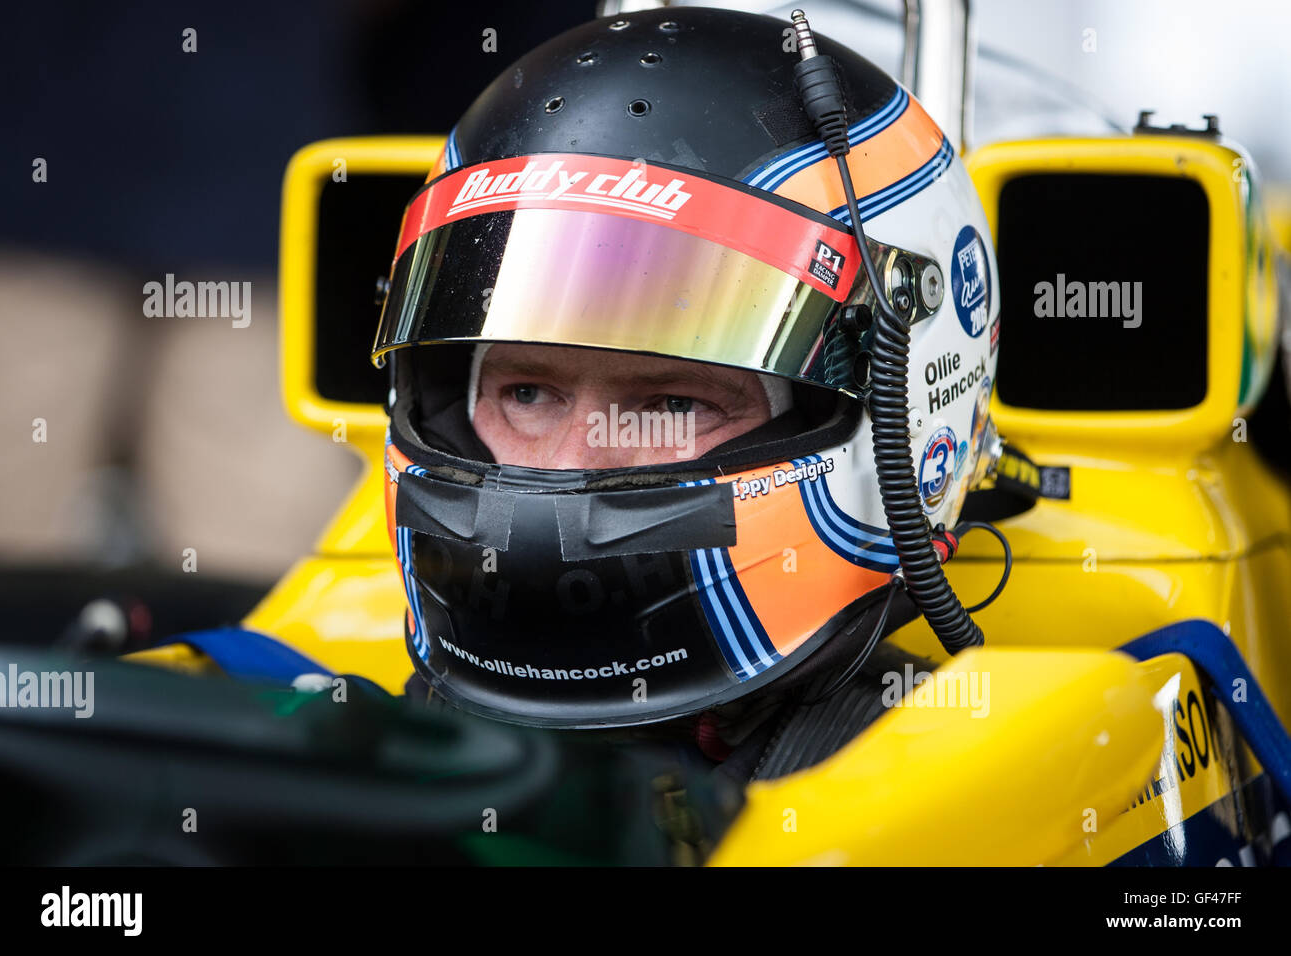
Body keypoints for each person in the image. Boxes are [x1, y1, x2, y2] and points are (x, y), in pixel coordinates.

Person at [371, 7, 1000, 782]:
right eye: (528, 391)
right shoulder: (331, 751)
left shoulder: (990, 784)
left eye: (672, 405)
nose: (572, 464)